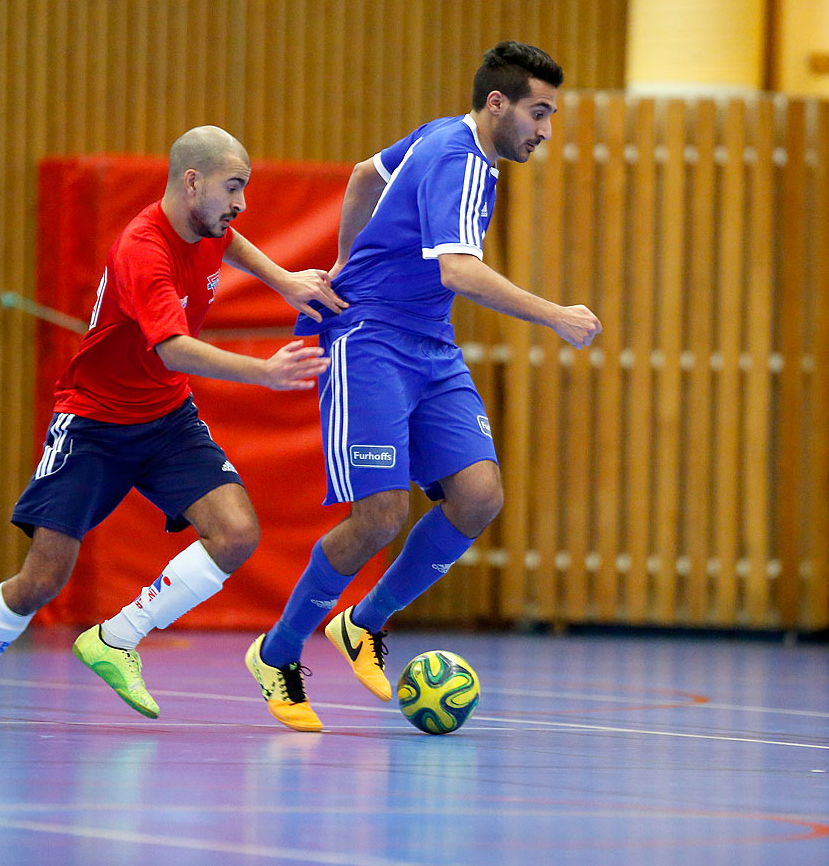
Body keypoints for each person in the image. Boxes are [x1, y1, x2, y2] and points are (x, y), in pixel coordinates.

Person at [0, 125, 347, 727]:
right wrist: (265, 373)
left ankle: (116, 638)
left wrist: (283, 280)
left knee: (235, 533)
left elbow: (231, 241)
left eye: (243, 189)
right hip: (94, 422)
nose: (240, 203)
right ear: (190, 181)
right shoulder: (143, 249)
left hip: (166, 419)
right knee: (43, 578)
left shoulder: (205, 223)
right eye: (233, 187)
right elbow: (172, 348)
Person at [243, 41, 602, 731]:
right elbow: (459, 272)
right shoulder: (458, 159)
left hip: (431, 344)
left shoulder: (444, 135)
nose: (546, 130)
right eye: (539, 112)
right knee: (379, 516)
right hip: (371, 340)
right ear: (497, 104)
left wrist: (345, 258)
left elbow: (360, 177)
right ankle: (278, 652)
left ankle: (364, 623)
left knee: (478, 497)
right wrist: (555, 315)